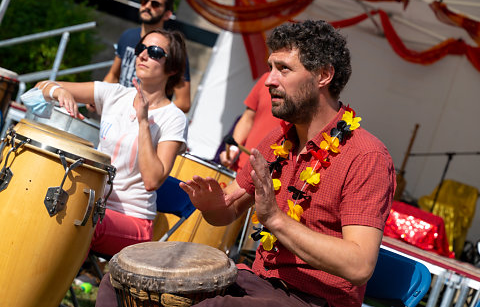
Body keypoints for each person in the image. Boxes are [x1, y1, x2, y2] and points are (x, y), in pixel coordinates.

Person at [95, 20, 395, 307]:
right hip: (259, 281)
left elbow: (359, 265)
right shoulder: (277, 140)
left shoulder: (367, 157)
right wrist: (212, 204)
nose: (270, 81)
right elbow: (225, 212)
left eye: (284, 70)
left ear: (323, 76)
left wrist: (276, 219)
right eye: (270, 69)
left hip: (315, 299)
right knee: (123, 281)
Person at [35, 29, 189, 257]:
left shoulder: (173, 118)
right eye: (140, 49)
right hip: (92, 205)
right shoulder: (115, 94)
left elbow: (152, 180)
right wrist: (59, 92)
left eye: (154, 52)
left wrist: (143, 121)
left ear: (173, 68)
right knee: (41, 202)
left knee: (75, 219)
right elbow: (42, 86)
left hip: (132, 220)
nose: (143, 56)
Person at [103, 0, 191, 113]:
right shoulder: (128, 36)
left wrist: (149, 113)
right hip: (116, 115)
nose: (147, 6)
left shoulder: (173, 49)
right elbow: (113, 75)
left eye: (155, 4)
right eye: (144, 1)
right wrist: (99, 97)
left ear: (167, 14)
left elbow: (184, 102)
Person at [219, 72, 282, 172]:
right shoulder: (267, 78)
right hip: (240, 170)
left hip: (272, 176)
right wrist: (233, 150)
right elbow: (248, 118)